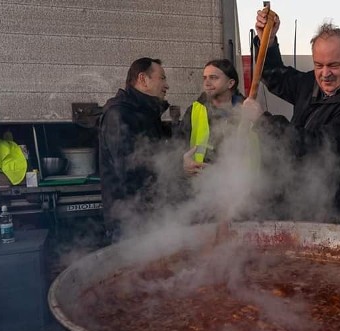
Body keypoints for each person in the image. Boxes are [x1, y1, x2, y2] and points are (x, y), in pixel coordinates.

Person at [253, 9, 340, 220]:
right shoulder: (310, 84)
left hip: (335, 213)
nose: (325, 74)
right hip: (299, 205)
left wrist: (263, 122)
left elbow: (319, 147)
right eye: (318, 65)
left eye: (334, 65)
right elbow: (275, 77)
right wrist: (267, 41)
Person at [99, 57, 170, 241]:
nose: (166, 85)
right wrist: (177, 164)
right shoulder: (119, 113)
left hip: (150, 215)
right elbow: (129, 168)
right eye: (162, 78)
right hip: (128, 221)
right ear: (143, 79)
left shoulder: (147, 113)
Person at [176, 59, 246, 175]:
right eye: (205, 78)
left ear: (230, 83)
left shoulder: (247, 111)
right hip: (202, 184)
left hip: (240, 185)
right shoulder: (194, 110)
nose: (207, 83)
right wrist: (183, 162)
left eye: (213, 77)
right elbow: (178, 145)